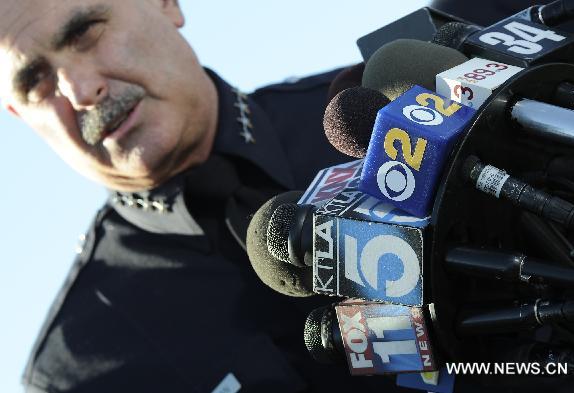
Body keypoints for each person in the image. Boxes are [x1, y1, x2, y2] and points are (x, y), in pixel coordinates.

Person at [0, 1, 402, 392]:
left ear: (165, 4)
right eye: (35, 81)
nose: (83, 90)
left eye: (86, 31)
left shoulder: (391, 115)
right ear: (18, 114)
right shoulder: (80, 372)